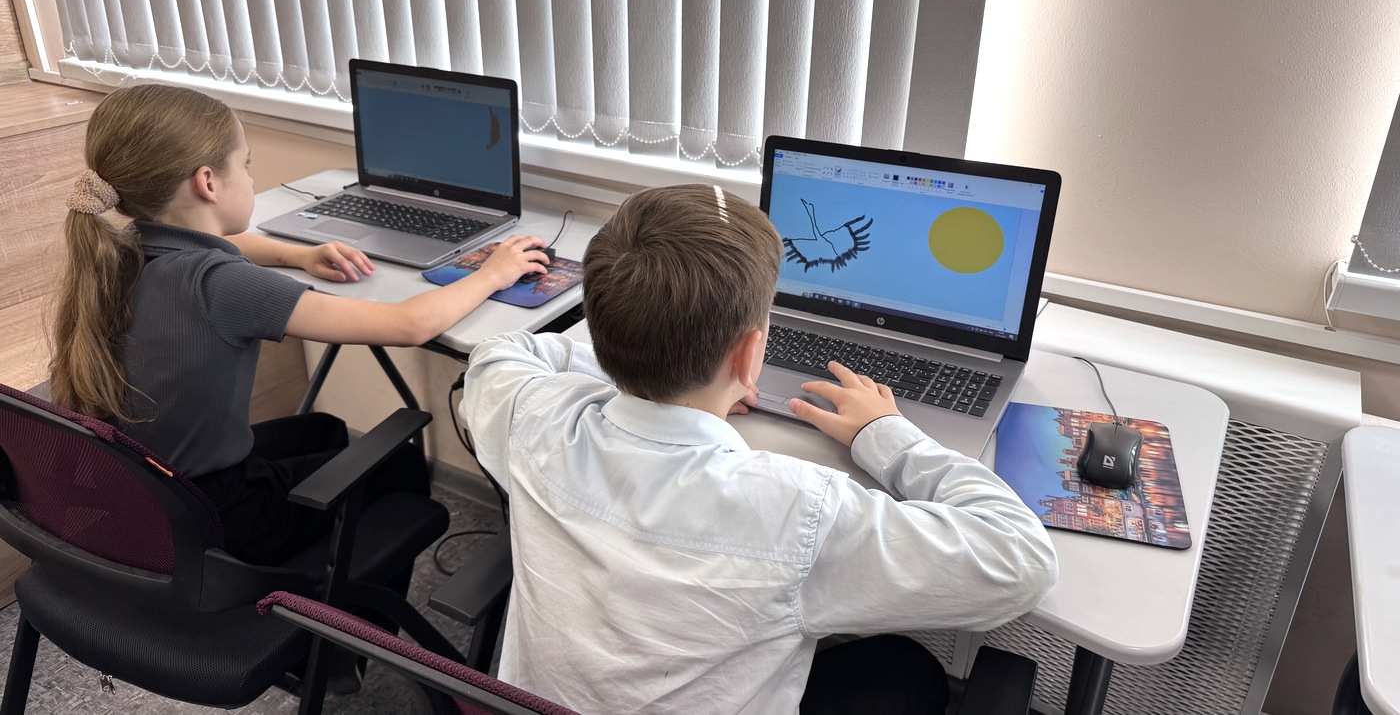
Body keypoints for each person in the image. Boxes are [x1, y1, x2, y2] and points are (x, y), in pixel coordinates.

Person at [460, 185, 1059, 714]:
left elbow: (498, 353)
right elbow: (1022, 562)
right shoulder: (798, 511)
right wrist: (885, 432)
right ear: (750, 357)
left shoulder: (531, 418)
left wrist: (654, 365)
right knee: (908, 670)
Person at [49, 83, 550, 566]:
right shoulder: (222, 284)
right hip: (219, 517)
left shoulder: (119, 252)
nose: (250, 179)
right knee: (398, 463)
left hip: (149, 497)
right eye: (245, 165)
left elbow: (225, 246)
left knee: (324, 431)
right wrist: (493, 273)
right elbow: (410, 324)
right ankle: (339, 614)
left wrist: (297, 255)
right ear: (207, 183)